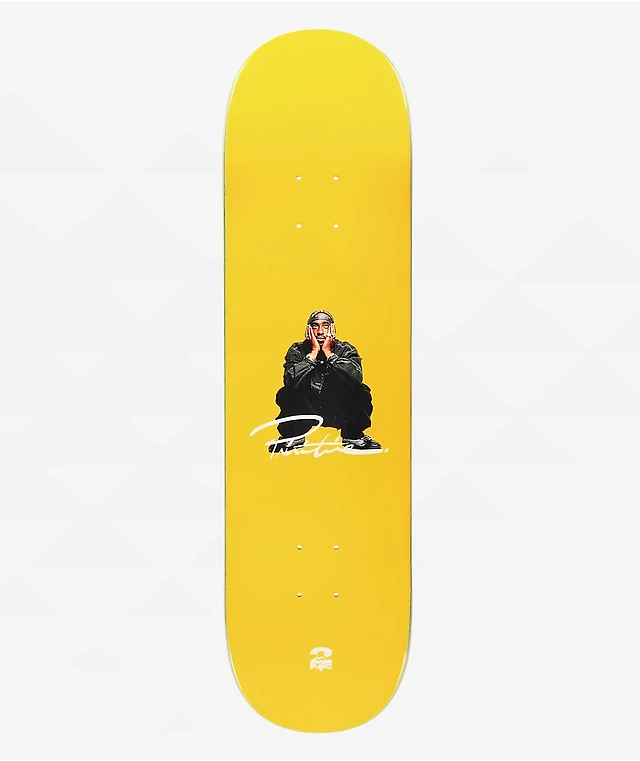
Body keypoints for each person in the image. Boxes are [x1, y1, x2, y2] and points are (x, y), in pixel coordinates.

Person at [268, 310, 382, 453]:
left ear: (332, 329)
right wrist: (313, 353)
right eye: (315, 326)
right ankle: (293, 436)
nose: (320, 331)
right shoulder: (297, 350)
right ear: (308, 330)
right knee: (286, 392)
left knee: (361, 390)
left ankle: (353, 436)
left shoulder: (346, 349)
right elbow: (289, 380)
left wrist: (329, 354)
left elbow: (356, 378)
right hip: (307, 409)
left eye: (325, 326)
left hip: (339, 409)